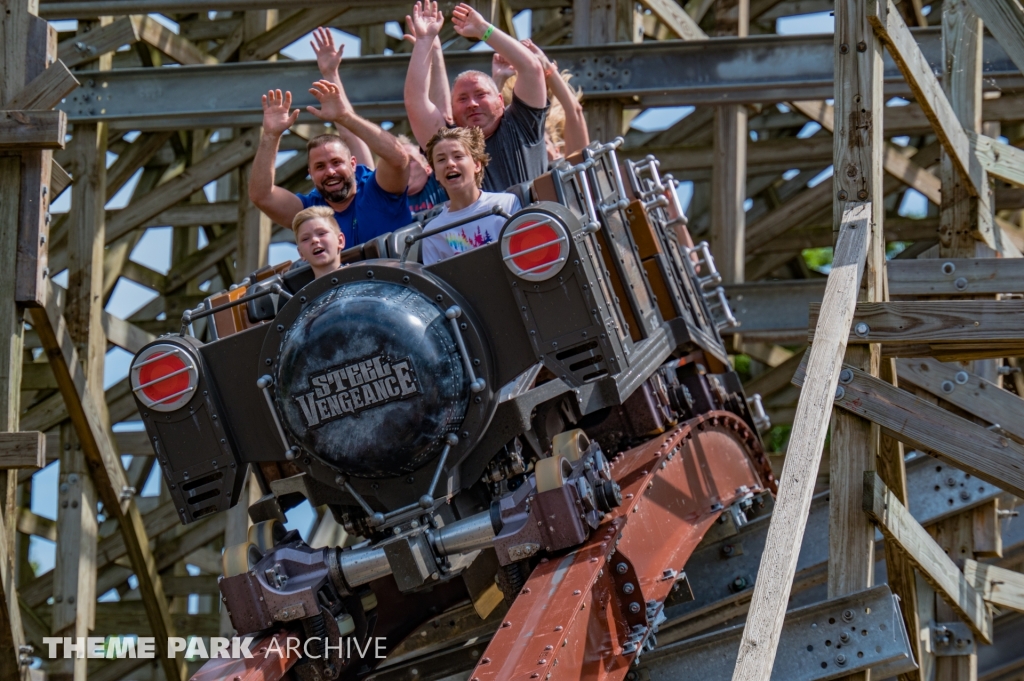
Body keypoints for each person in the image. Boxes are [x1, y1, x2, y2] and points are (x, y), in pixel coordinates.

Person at [248, 79, 411, 248]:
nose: (330, 171)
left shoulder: (377, 190)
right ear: (310, 173)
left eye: (336, 162)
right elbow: (261, 195)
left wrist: (345, 117)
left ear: (353, 164)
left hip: (395, 272)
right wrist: (270, 136)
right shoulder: (310, 210)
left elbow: (398, 159)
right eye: (320, 167)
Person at [404, 1, 549, 192]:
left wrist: (483, 29)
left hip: (532, 220)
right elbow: (416, 101)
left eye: (481, 95)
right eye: (462, 99)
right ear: (452, 112)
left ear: (499, 99)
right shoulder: (448, 140)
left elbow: (531, 69)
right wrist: (424, 40)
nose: (472, 104)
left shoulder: (522, 123)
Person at [420, 127, 520, 266]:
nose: (450, 164)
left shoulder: (506, 204)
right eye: (441, 159)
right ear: (435, 173)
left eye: (458, 156)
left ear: (477, 165)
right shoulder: (432, 232)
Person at [493, 40, 588, 163]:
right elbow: (484, 136)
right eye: (527, 146)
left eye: (543, 144)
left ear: (557, 150)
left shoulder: (569, 173)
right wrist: (499, 79)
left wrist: (547, 66)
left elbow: (574, 111)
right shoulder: (515, 174)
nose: (537, 151)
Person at [398, 135, 448, 213]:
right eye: (397, 162)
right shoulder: (382, 198)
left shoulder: (439, 183)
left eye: (410, 160)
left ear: (428, 169)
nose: (401, 165)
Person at [292, 206, 344, 278]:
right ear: (301, 253)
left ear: (340, 241)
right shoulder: (305, 289)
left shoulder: (361, 278)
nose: (314, 240)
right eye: (305, 239)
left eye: (321, 233)